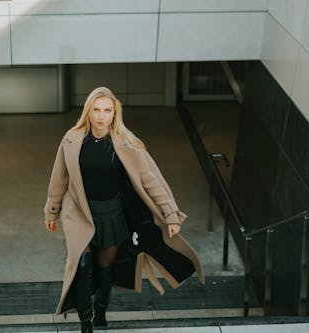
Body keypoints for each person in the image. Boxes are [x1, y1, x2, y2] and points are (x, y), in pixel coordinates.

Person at [44, 87, 204, 333]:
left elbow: (150, 180)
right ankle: (85, 323)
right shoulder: (72, 139)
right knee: (84, 265)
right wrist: (52, 211)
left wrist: (170, 214)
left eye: (107, 110)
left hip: (112, 214)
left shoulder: (127, 143)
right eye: (96, 110)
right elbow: (59, 178)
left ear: (114, 112)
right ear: (88, 111)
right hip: (79, 214)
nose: (101, 116)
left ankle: (101, 311)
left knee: (106, 267)